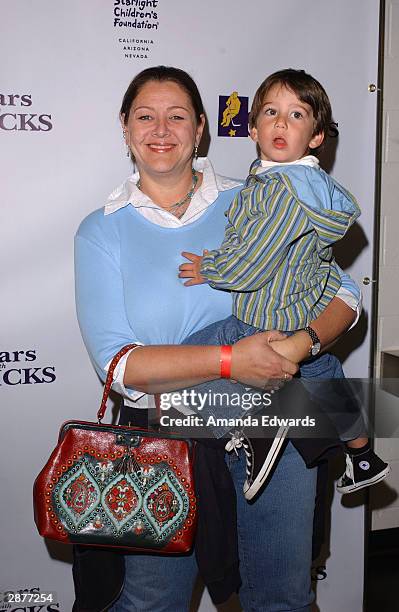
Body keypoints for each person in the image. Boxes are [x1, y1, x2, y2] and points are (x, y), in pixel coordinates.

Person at [75, 65, 361, 612]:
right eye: (146, 116)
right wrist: (231, 360)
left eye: (177, 116)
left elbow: (345, 298)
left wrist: (303, 343)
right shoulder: (102, 228)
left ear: (201, 128)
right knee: (152, 602)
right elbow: (116, 365)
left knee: (282, 598)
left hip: (277, 421)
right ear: (125, 127)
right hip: (166, 433)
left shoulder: (258, 196)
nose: (162, 129)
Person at [178, 68, 390, 500]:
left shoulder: (279, 191)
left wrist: (211, 267)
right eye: (271, 112)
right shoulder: (313, 186)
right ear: (252, 127)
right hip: (302, 317)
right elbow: (321, 262)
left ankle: (257, 422)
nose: (280, 123)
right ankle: (363, 454)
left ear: (316, 137)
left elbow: (251, 266)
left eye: (296, 115)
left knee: (183, 367)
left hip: (258, 324)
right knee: (326, 374)